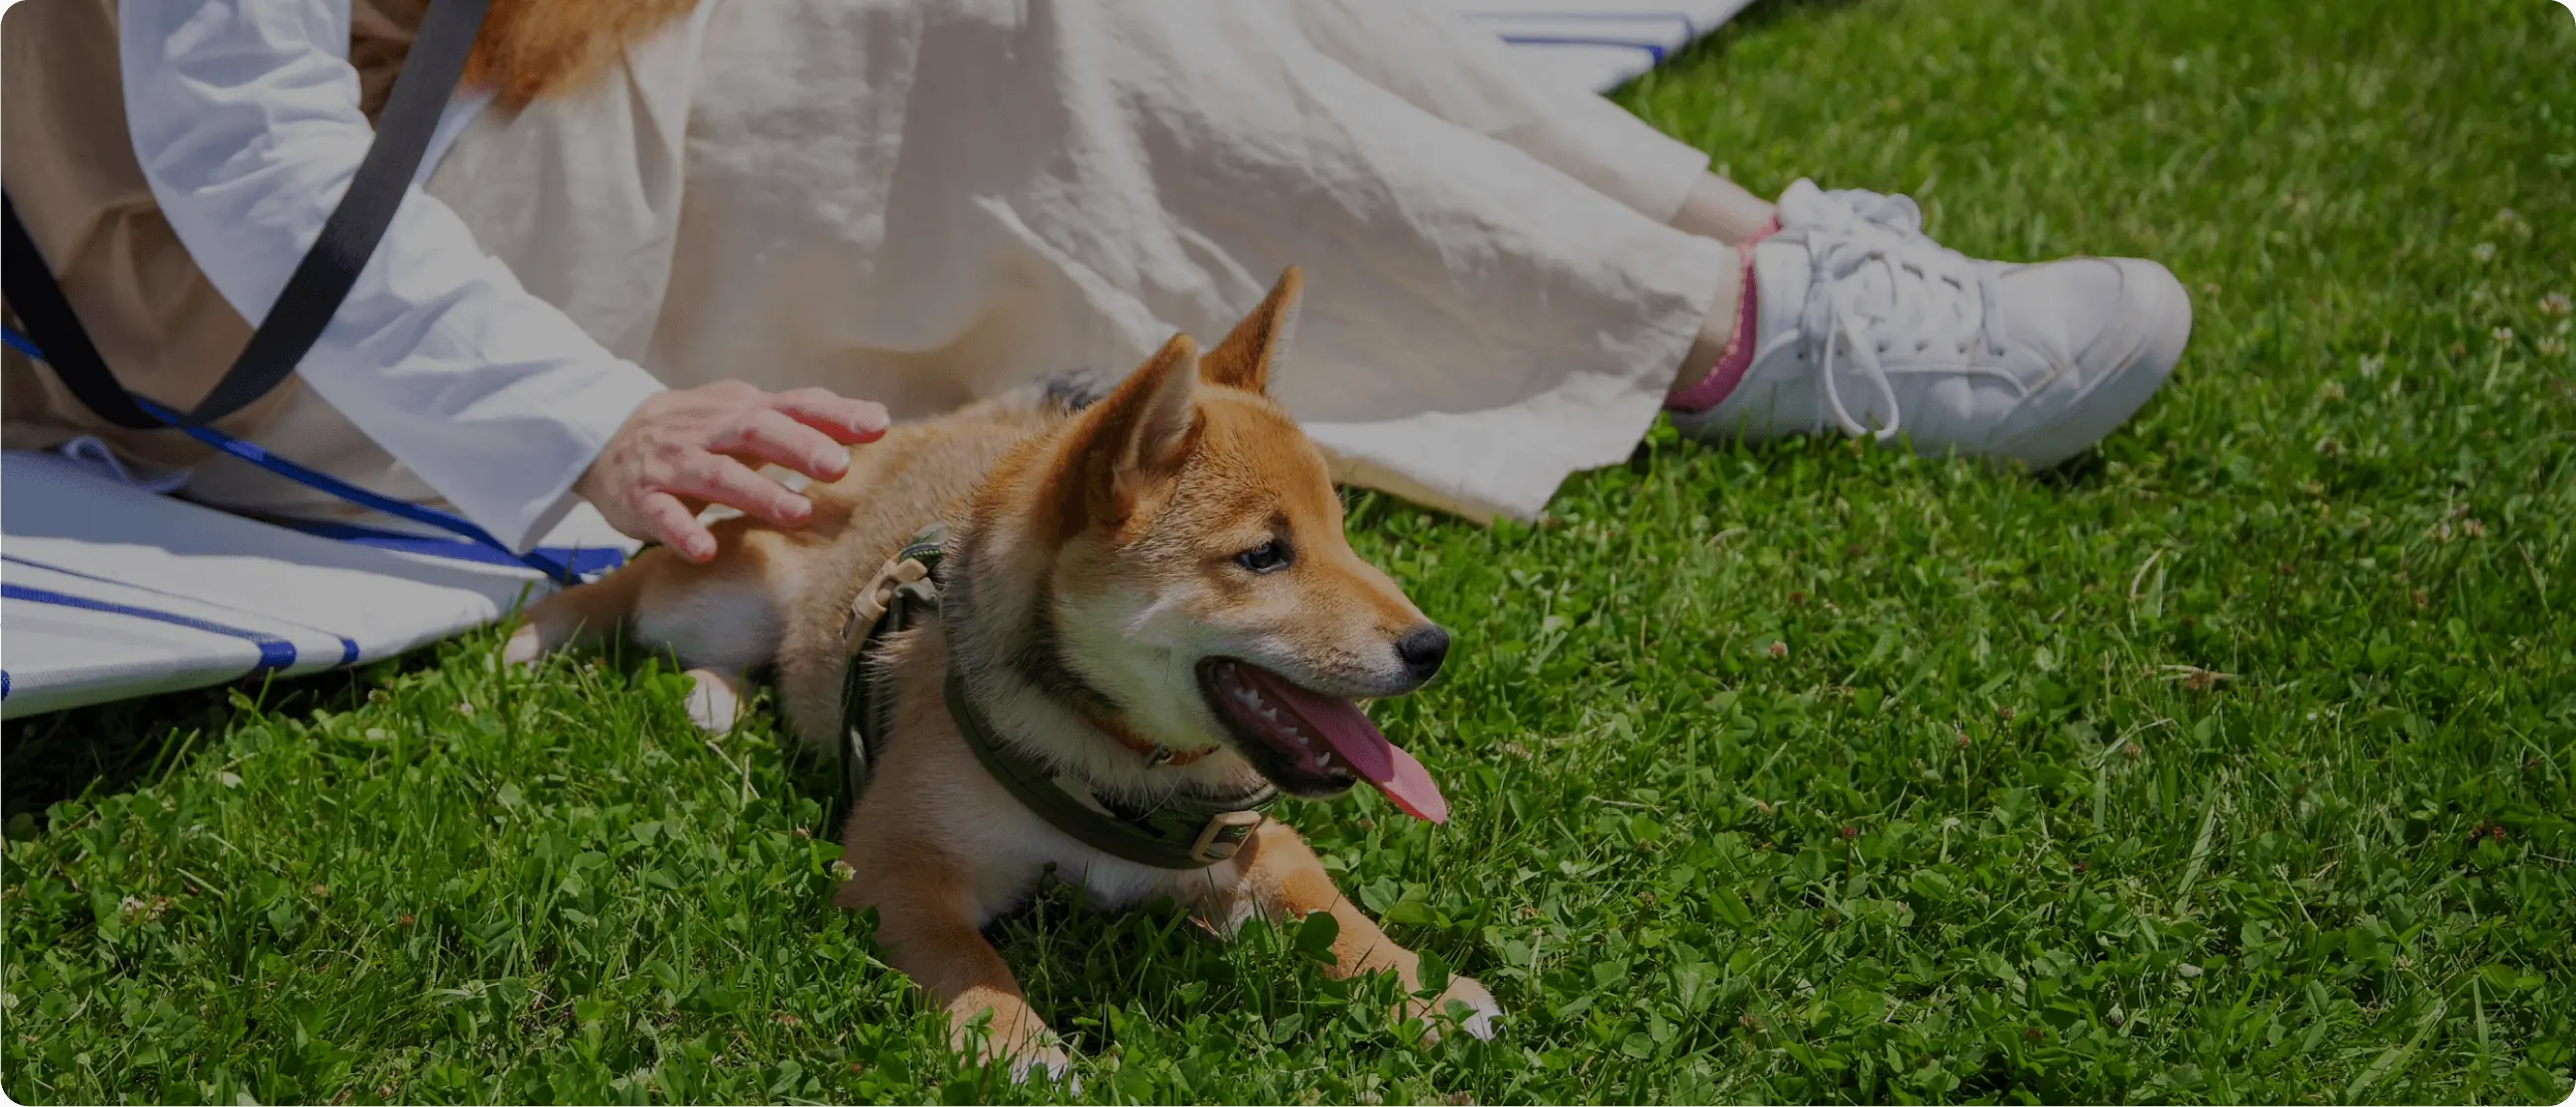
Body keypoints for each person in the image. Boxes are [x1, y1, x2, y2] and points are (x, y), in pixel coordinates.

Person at [0, 0, 2189, 563]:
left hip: (426, 115)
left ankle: (1736, 246)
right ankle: (1735, 346)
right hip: (260, 306)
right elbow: (236, 135)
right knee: (1002, 40)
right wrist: (587, 419)